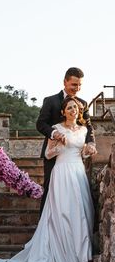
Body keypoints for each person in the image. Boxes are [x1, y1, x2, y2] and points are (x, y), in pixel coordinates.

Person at [0, 96, 95, 262]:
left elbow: (84, 152)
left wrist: (89, 149)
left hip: (78, 175)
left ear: (79, 111)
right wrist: (57, 143)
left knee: (80, 217)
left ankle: (74, 258)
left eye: (75, 108)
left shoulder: (82, 130)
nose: (72, 110)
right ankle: (60, 261)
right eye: (69, 107)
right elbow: (49, 154)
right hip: (61, 174)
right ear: (63, 111)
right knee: (61, 217)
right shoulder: (56, 129)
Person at [35, 67, 95, 213]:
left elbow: (88, 126)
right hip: (54, 153)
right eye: (74, 84)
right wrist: (54, 133)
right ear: (65, 82)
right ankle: (47, 226)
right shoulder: (50, 101)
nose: (77, 88)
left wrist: (91, 142)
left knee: (76, 192)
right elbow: (40, 124)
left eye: (80, 85)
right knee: (50, 189)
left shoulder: (83, 103)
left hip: (74, 155)